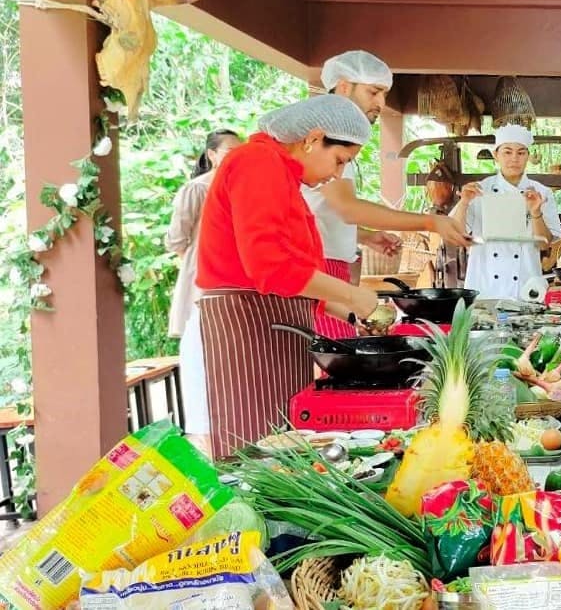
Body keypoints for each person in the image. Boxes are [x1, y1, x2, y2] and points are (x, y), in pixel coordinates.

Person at [196, 94, 382, 458]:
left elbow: (293, 273)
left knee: (284, 444)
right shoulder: (257, 163)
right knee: (258, 450)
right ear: (312, 139)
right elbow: (272, 268)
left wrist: (347, 312)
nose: (337, 173)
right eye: (339, 160)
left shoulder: (281, 174)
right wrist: (351, 294)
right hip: (247, 320)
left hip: (269, 317)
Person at [304, 50, 472, 337]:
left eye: (384, 94)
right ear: (344, 86)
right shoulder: (322, 134)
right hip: (317, 272)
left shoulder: (338, 137)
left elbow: (319, 209)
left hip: (332, 269)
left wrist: (365, 236)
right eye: (374, 92)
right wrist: (430, 222)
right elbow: (347, 208)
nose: (381, 103)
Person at [166, 128, 242, 443]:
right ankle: (207, 433)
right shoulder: (197, 188)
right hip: (204, 271)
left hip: (225, 271)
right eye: (228, 151)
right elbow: (177, 239)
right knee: (203, 344)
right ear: (211, 154)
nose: (235, 157)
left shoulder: (242, 184)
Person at [450, 125, 561, 300]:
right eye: (507, 152)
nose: (514, 159)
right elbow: (455, 235)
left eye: (521, 152)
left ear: (528, 156)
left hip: (525, 286)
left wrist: (535, 212)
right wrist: (464, 202)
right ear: (496, 155)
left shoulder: (542, 193)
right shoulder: (480, 190)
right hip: (485, 284)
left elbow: (544, 245)